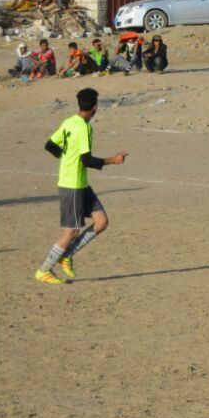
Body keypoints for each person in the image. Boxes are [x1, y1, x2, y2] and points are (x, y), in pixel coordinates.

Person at [35, 87, 128, 284]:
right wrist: (113, 160)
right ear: (94, 107)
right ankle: (44, 270)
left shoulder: (69, 122)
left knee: (101, 221)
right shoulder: (84, 127)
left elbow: (50, 145)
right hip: (72, 184)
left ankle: (66, 256)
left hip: (81, 184)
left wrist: (66, 156)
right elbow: (86, 160)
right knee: (71, 231)